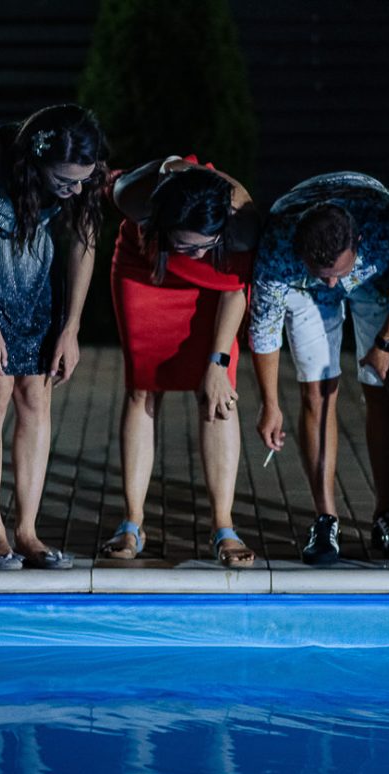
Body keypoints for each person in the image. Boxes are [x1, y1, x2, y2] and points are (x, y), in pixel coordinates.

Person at [0, 104, 107, 570]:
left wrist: (71, 327)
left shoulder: (86, 174)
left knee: (36, 395)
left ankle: (28, 530)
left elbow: (83, 243)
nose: (74, 190)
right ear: (36, 161)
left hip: (33, 271)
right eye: (63, 182)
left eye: (81, 181)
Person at [249, 172, 389, 566]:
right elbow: (264, 328)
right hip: (301, 289)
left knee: (382, 386)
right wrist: (269, 403)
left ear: (358, 243)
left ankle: (385, 513)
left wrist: (385, 344)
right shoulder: (279, 246)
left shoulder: (385, 227)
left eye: (336, 273)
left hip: (374, 280)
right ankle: (325, 518)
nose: (331, 284)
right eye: (321, 272)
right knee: (317, 391)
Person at [102, 156, 259, 568]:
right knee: (141, 388)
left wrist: (216, 362)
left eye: (198, 246)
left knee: (218, 392)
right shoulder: (135, 198)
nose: (190, 253)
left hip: (218, 288)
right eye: (183, 243)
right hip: (145, 273)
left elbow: (235, 289)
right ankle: (133, 519)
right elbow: (111, 186)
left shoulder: (242, 223)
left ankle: (223, 523)